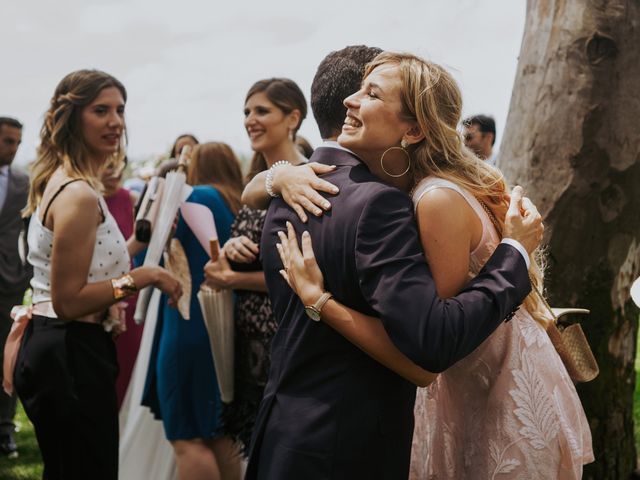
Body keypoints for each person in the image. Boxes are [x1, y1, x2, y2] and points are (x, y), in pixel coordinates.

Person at [275, 53, 593, 479]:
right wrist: (277, 175)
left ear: (415, 129)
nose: (350, 101)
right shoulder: (420, 191)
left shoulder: (434, 198)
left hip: (496, 398)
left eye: (371, 93)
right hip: (473, 394)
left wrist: (320, 301)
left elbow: (428, 354)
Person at [14, 69, 182, 480]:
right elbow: (70, 300)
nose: (115, 121)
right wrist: (144, 278)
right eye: (100, 110)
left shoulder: (68, 182)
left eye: (120, 110)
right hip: (71, 353)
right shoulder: (79, 195)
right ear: (72, 117)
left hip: (62, 346)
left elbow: (90, 264)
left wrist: (141, 245)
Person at [204, 78, 308, 454]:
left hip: (280, 335)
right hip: (247, 335)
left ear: (292, 117)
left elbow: (298, 272)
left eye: (262, 110)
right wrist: (233, 245)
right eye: (247, 111)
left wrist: (232, 280)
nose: (251, 119)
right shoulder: (258, 182)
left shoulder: (301, 180)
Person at [142, 141, 243, 480]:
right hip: (223, 324)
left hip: (186, 322)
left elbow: (151, 258)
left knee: (187, 436)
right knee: (219, 433)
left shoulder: (195, 198)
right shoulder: (237, 200)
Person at [101, 156, 143, 408]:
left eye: (118, 165)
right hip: (98, 293)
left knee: (130, 363)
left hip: (129, 290)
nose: (114, 171)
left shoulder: (131, 199)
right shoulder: (87, 201)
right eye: (108, 165)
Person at [0, 116, 31, 458]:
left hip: (8, 280)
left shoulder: (23, 182)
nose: (13, 148)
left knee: (5, 356)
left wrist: (24, 274)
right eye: (8, 141)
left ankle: (4, 429)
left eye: (17, 143)